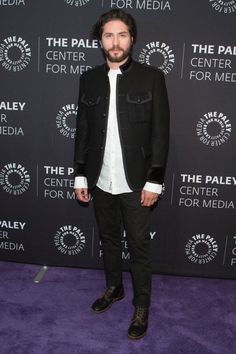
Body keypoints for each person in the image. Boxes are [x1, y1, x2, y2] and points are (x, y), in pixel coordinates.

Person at [74, 9, 169, 340]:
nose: (115, 42)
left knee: (140, 247)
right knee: (109, 239)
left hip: (137, 181)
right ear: (101, 41)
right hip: (101, 178)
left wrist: (154, 179)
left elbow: (160, 134)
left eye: (122, 34)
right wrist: (80, 175)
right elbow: (82, 131)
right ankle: (114, 288)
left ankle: (142, 306)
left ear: (132, 38)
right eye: (108, 35)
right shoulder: (89, 79)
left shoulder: (152, 77)